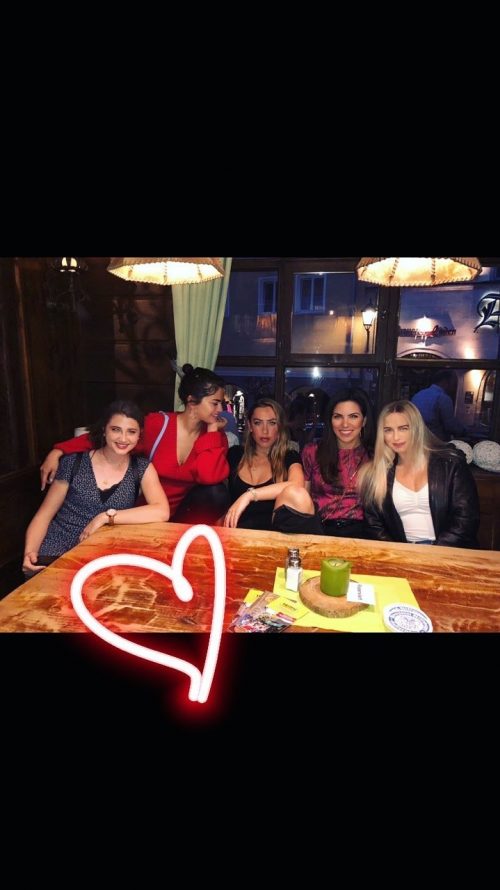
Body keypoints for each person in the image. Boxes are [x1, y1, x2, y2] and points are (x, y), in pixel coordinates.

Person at [40, 365, 230, 524]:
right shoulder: (159, 424)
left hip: (185, 518)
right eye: (215, 403)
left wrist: (212, 431)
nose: (220, 409)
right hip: (148, 513)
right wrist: (58, 451)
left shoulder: (214, 437)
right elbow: (108, 437)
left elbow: (208, 477)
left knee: (217, 492)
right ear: (192, 401)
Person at [23, 401, 169, 578]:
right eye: (116, 429)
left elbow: (162, 511)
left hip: (102, 555)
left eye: (131, 432)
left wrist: (105, 517)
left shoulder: (141, 468)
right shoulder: (74, 462)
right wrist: (30, 553)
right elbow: (44, 515)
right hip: (57, 551)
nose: (123, 438)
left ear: (139, 435)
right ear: (104, 430)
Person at [359, 400, 479, 548]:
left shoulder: (451, 464)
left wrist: (435, 552)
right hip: (401, 552)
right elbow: (374, 525)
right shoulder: (377, 473)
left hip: (449, 550)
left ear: (417, 428)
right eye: (388, 430)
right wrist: (398, 552)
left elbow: (466, 519)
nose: (396, 437)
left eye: (403, 428)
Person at [223, 398, 318, 531]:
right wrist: (212, 429)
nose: (265, 430)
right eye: (258, 423)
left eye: (272, 423)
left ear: (279, 427)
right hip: (237, 534)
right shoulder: (235, 454)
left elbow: (297, 486)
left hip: (275, 536)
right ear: (250, 426)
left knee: (298, 494)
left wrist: (249, 495)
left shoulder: (289, 456)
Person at [301, 388, 375, 538]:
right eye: (338, 417)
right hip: (319, 531)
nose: (345, 424)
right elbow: (303, 496)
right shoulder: (313, 452)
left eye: (353, 416)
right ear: (330, 420)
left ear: (364, 421)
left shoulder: (374, 456)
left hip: (362, 534)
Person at [411, 369, 467, 441]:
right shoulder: (443, 398)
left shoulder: (418, 395)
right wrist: (465, 430)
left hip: (417, 439)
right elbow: (450, 425)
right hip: (436, 441)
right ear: (446, 382)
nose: (454, 387)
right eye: (453, 383)